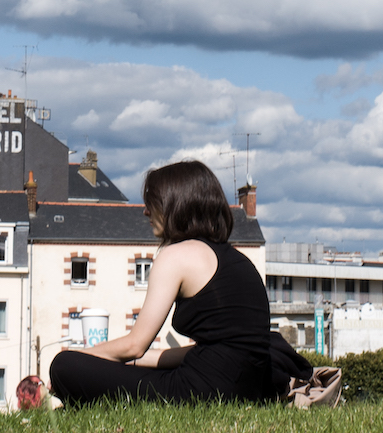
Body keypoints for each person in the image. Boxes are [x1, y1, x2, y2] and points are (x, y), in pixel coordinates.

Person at [48, 161, 274, 405]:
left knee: (64, 366)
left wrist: (81, 356)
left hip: (200, 391)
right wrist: (131, 361)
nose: (146, 211)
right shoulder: (239, 261)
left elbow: (134, 345)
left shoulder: (176, 256)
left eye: (153, 203)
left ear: (176, 205)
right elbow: (213, 350)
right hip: (247, 390)